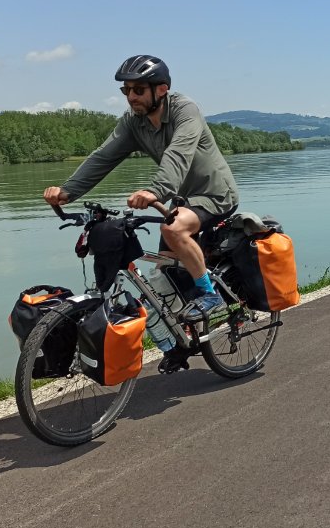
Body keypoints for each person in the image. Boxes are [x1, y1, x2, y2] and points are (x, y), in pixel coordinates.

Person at [42, 54, 239, 373]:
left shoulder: (185, 110)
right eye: (126, 90)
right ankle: (180, 343)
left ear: (160, 90)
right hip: (181, 199)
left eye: (137, 90)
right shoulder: (134, 124)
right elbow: (103, 157)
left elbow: (178, 154)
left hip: (215, 194)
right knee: (163, 275)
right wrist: (68, 191)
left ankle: (210, 294)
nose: (131, 96)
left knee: (172, 231)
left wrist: (156, 191)